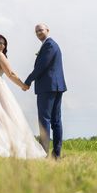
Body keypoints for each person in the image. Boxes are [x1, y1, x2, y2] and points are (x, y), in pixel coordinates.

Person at [24, 23, 67, 159]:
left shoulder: (49, 45)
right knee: (55, 120)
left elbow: (41, 66)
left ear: (48, 30)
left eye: (41, 30)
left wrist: (28, 80)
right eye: (36, 31)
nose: (38, 33)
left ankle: (43, 153)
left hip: (48, 87)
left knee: (45, 121)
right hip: (55, 86)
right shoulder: (50, 45)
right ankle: (56, 155)